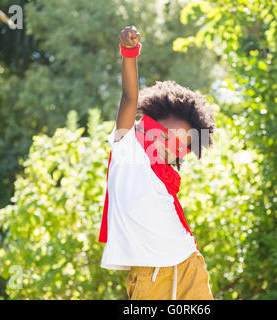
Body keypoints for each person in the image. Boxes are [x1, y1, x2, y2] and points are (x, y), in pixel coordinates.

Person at [98, 25, 216, 300]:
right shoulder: (127, 146)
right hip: (149, 276)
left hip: (188, 265)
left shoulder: (165, 178)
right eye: (165, 136)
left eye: (181, 146)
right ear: (149, 125)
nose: (169, 146)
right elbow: (129, 98)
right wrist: (130, 52)